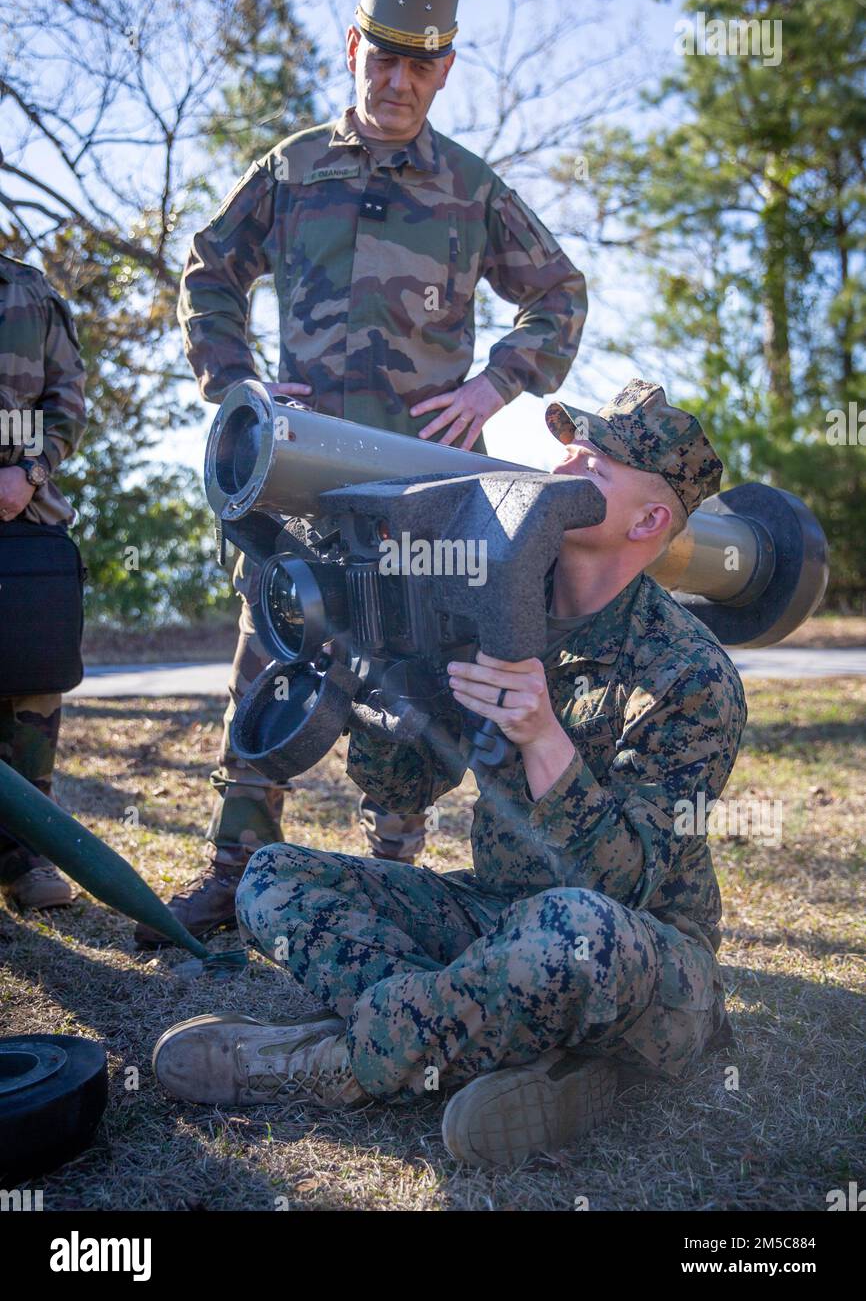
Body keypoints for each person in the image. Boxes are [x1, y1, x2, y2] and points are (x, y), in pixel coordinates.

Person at [152, 380, 748, 1170]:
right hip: (497, 915)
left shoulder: (690, 675)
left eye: (597, 464)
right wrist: (379, 679)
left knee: (573, 929)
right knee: (271, 880)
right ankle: (535, 1058)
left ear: (648, 520)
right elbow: (402, 789)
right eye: (569, 446)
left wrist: (541, 736)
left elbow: (627, 884)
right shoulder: (490, 596)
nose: (565, 462)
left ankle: (330, 1061)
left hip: (641, 954)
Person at [140, 0, 587, 944]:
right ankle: (231, 869)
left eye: (417, 67)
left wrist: (494, 384)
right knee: (267, 662)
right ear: (353, 48)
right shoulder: (293, 167)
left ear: (443, 72)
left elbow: (559, 294)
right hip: (297, 478)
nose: (394, 82)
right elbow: (209, 267)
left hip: (416, 490)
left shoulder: (471, 192)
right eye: (380, 59)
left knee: (405, 684)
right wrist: (236, 383)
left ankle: (394, 872)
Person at [0, 249, 87, 909]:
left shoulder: (27, 294)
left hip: (21, 520)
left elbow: (66, 404)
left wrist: (27, 473)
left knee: (30, 696)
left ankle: (28, 863)